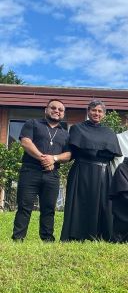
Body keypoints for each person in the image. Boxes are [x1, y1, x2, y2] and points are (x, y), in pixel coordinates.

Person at [61, 99, 122, 241]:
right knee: (80, 202)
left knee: (103, 204)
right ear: (88, 112)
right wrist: (97, 152)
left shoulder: (109, 132)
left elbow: (112, 154)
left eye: (100, 111)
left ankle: (101, 235)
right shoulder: (77, 128)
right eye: (94, 110)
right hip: (82, 170)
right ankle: (76, 235)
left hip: (103, 172)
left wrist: (93, 151)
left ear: (104, 114)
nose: (96, 113)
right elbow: (76, 150)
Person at [12, 99, 71, 242]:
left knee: (49, 208)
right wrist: (44, 159)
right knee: (24, 206)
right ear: (46, 110)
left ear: (63, 114)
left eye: (60, 110)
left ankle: (47, 239)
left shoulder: (65, 134)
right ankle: (18, 238)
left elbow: (69, 154)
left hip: (52, 175)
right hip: (30, 171)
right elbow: (25, 142)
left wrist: (54, 159)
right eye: (54, 108)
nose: (57, 111)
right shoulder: (32, 123)